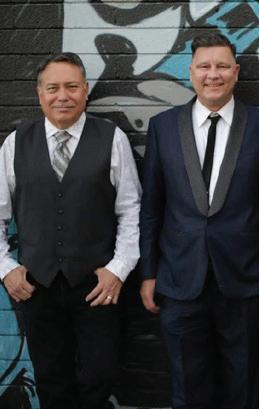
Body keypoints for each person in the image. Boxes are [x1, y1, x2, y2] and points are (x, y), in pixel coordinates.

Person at [138, 33, 259, 409]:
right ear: (190, 71)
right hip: (179, 282)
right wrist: (149, 272)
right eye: (204, 66)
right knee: (188, 391)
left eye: (222, 66)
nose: (213, 74)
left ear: (236, 72)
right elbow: (152, 207)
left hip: (246, 281)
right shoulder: (163, 127)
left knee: (243, 388)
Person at [0, 52, 141, 409]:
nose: (62, 96)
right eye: (53, 88)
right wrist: (6, 268)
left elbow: (131, 211)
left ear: (85, 91)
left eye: (72, 87)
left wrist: (117, 270)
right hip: (38, 287)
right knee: (51, 381)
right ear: (40, 94)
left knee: (100, 376)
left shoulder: (112, 138)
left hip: (98, 286)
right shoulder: (16, 143)